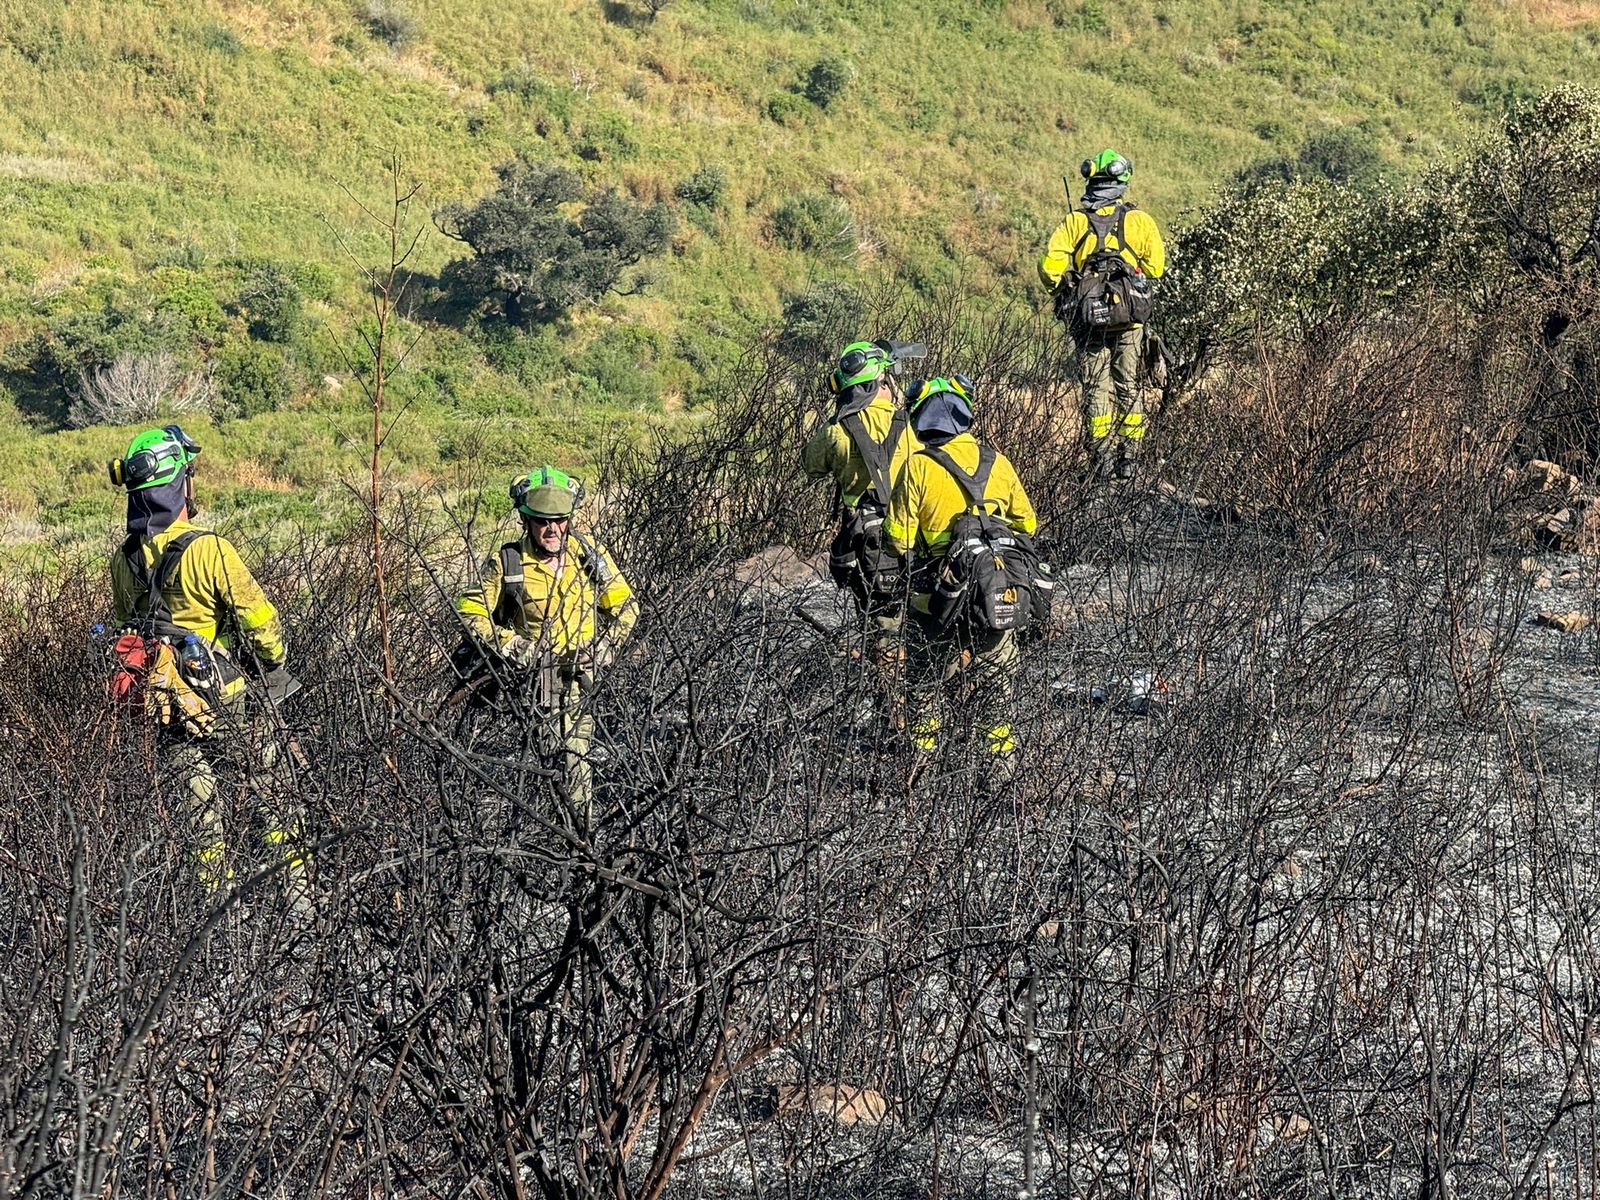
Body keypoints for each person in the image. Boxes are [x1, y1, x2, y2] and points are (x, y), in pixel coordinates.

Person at [106, 424, 300, 895]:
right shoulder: (209, 549)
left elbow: (126, 626)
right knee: (271, 806)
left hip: (164, 708)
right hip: (226, 700)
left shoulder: (122, 559)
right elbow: (261, 624)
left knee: (202, 829)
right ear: (179, 484)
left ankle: (221, 931)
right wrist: (275, 666)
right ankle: (299, 906)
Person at [455, 466, 638, 818]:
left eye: (559, 519)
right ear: (526, 520)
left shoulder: (588, 556)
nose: (552, 529)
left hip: (586, 678)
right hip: (541, 679)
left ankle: (571, 829)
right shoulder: (509, 562)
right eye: (542, 521)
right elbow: (469, 609)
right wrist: (516, 647)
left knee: (573, 758)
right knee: (565, 760)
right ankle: (578, 831)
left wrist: (603, 650)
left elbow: (627, 607)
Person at [884, 377, 1037, 784]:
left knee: (925, 682)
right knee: (997, 687)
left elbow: (898, 538)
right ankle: (1000, 770)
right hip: (992, 595)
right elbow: (1028, 523)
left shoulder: (918, 465)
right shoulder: (997, 461)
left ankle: (923, 767)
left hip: (935, 600)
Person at [1038, 147, 1167, 480]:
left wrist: (1064, 289)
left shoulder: (1075, 222)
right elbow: (1156, 268)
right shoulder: (1139, 221)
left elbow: (1049, 267)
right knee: (1128, 385)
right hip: (1130, 320)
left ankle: (1102, 458)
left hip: (1089, 320)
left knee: (1096, 388)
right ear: (1122, 182)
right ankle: (1131, 459)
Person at [802, 340, 922, 652]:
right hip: (916, 540)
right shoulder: (913, 425)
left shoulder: (836, 430)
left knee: (881, 630)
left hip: (866, 547)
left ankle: (887, 690)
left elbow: (811, 466)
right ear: (883, 382)